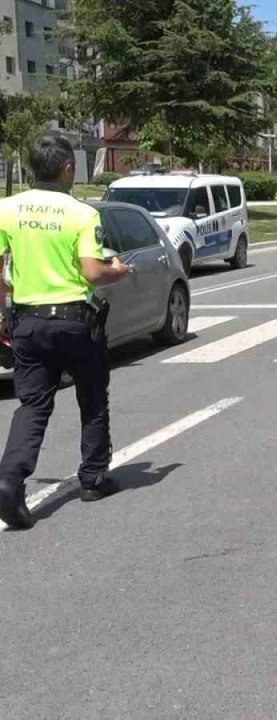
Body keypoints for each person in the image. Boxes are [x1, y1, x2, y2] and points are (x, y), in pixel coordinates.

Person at [0, 132, 131, 530]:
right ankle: (92, 478)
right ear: (68, 168)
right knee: (92, 397)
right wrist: (118, 271)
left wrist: (3, 316)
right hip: (77, 321)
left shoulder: (6, 209)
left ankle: (9, 478)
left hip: (28, 321)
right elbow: (93, 270)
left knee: (33, 405)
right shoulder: (80, 213)